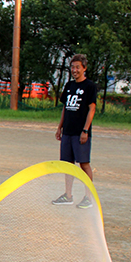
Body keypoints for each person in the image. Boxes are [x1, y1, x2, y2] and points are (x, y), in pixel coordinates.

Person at [53, 54, 97, 209]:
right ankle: (68, 195)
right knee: (67, 164)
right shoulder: (69, 85)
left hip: (80, 132)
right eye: (72, 67)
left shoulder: (90, 86)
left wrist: (85, 130)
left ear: (84, 68)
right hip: (68, 132)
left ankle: (88, 197)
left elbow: (92, 109)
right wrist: (60, 127)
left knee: (83, 164)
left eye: (78, 67)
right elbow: (65, 107)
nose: (74, 70)